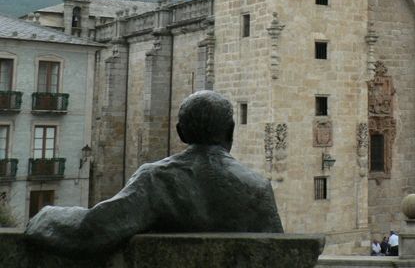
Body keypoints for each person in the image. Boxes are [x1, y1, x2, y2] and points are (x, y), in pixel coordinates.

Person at [25, 90, 283, 258]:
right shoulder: (258, 187)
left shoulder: (156, 179)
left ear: (180, 132)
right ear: (231, 131)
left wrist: (44, 215)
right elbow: (279, 253)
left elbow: (92, 230)